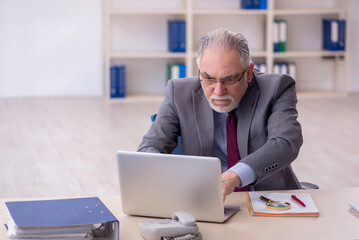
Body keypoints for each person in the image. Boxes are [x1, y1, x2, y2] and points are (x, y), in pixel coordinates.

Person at [138, 28, 303, 201]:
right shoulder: (178, 93)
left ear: (248, 73)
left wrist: (234, 176)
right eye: (208, 78)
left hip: (267, 199)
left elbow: (286, 143)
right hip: (199, 198)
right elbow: (150, 146)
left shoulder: (277, 88)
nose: (218, 91)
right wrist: (162, 173)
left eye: (230, 79)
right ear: (199, 71)